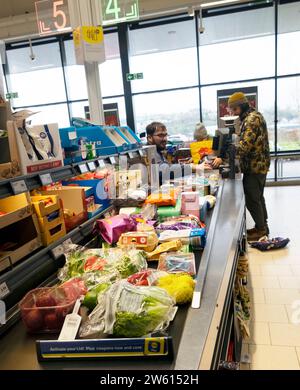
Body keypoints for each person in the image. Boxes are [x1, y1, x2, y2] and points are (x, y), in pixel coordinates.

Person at [228, 92, 270, 241]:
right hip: (258, 165)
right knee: (257, 196)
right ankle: (262, 226)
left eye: (234, 109)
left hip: (255, 166)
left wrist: (228, 153)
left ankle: (261, 229)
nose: (233, 113)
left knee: (252, 198)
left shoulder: (251, 119)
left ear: (240, 106)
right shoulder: (252, 117)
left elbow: (245, 146)